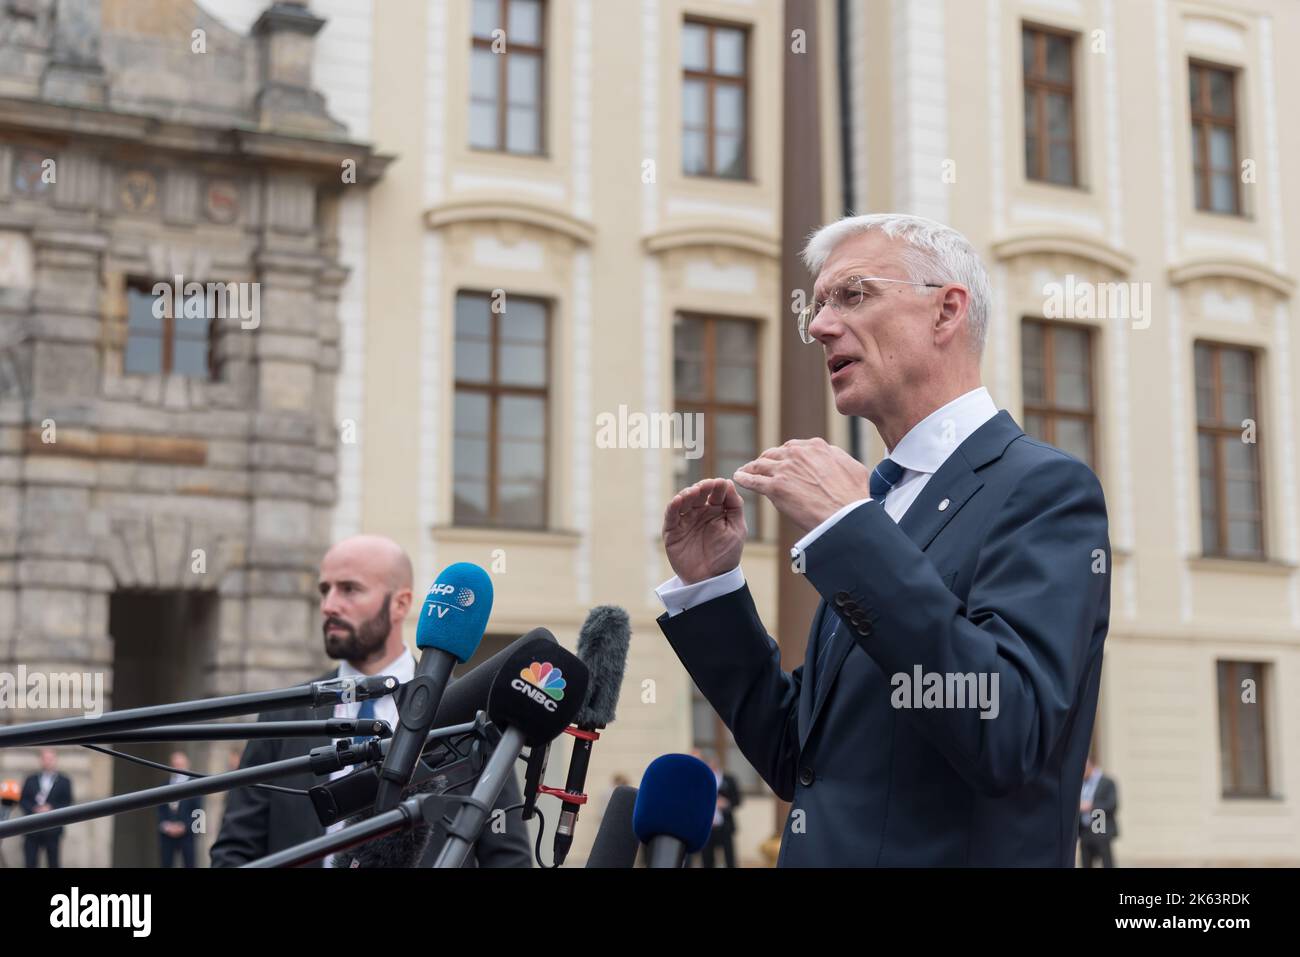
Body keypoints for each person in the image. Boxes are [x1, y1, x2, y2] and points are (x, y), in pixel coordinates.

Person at [656, 214, 1111, 866]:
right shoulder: (880, 504)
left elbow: (1007, 727)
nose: (818, 326)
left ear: (945, 311)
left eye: (853, 294)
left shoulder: (1044, 488)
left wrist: (853, 531)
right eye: (817, 306)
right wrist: (711, 591)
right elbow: (803, 758)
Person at [211, 534, 532, 867]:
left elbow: (508, 857)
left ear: (401, 604)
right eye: (325, 590)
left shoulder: (468, 718)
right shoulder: (284, 715)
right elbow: (234, 852)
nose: (329, 606)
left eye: (349, 589)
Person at [20, 748, 73, 868]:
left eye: (50, 758)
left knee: (53, 863)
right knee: (30, 863)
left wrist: (51, 808)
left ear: (55, 760)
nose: (47, 761)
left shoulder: (64, 781)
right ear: (40, 760)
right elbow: (23, 800)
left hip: (53, 830)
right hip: (32, 829)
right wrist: (34, 808)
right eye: (45, 758)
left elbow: (67, 802)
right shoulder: (30, 779)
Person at [691, 749, 741, 868]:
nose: (711, 764)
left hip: (724, 826)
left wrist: (726, 803)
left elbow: (737, 800)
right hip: (708, 827)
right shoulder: (701, 780)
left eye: (712, 762)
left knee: (729, 858)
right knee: (707, 859)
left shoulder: (728, 779)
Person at [157, 751, 202, 868]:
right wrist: (166, 826)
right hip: (167, 835)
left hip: (187, 835)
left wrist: (185, 827)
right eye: (175, 764)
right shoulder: (164, 785)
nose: (177, 766)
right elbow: (159, 809)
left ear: (187, 764)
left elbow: (199, 811)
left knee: (189, 864)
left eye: (180, 764)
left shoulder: (196, 784)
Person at [1078, 755, 1119, 867]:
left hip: (1100, 828)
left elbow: (1112, 804)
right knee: (1086, 862)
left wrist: (1091, 806)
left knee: (1106, 862)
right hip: (1085, 830)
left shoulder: (1106, 782)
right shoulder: (1081, 784)